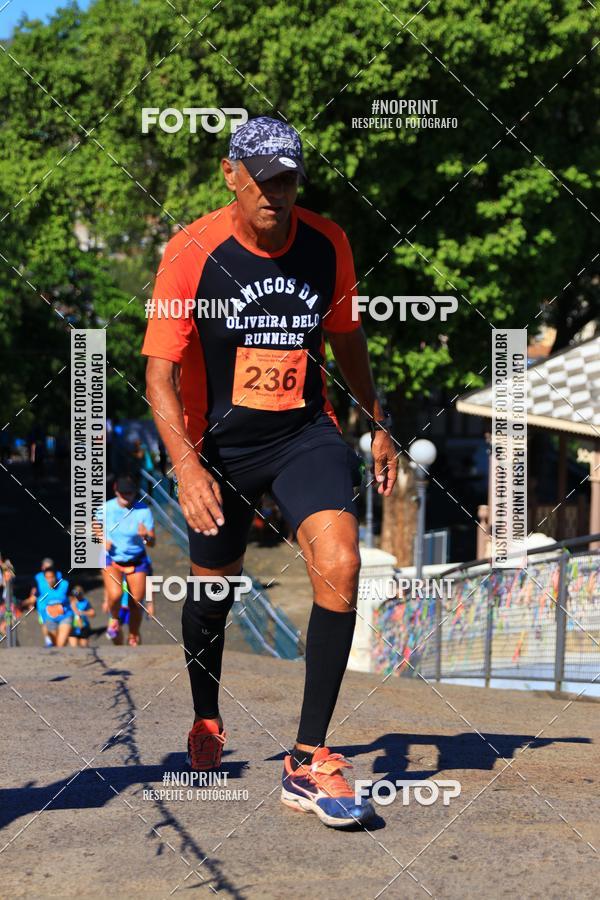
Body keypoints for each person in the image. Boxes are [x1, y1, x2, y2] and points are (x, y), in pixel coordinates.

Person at [143, 116, 397, 828]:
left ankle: (308, 759)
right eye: (261, 178)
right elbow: (158, 376)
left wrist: (374, 420)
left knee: (341, 563)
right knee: (211, 596)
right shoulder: (191, 253)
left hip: (302, 434)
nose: (274, 193)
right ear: (231, 174)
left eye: (286, 179)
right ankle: (206, 717)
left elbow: (347, 338)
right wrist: (187, 466)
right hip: (218, 446)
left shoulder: (327, 243)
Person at [94, 475, 156, 646]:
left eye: (129, 493)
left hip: (136, 560)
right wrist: (102, 539)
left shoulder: (143, 511)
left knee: (136, 601)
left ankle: (133, 634)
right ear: (115, 490)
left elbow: (152, 542)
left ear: (135, 492)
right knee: (115, 594)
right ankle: (114, 618)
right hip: (112, 558)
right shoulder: (106, 508)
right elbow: (94, 525)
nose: (126, 496)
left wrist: (145, 537)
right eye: (123, 493)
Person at [24, 558, 65, 647]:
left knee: (57, 622)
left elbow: (62, 588)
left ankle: (56, 641)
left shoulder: (58, 574)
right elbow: (34, 590)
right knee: (45, 622)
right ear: (42, 567)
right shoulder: (38, 577)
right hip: (42, 605)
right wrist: (31, 603)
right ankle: (48, 640)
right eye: (46, 567)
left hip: (56, 603)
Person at [36, 567, 73, 647]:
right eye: (48, 578)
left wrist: (77, 613)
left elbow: (73, 598)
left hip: (65, 616)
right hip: (49, 618)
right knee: (55, 644)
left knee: (60, 644)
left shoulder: (65, 584)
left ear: (56, 576)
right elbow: (34, 598)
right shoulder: (41, 587)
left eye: (52, 577)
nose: (50, 580)